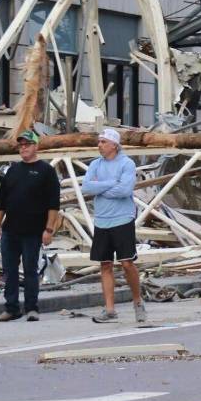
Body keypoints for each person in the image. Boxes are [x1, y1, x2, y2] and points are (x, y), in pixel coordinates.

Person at [0, 130, 60, 322]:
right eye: (21, 145)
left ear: (36, 146)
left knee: (30, 270)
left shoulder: (46, 171)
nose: (24, 148)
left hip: (33, 231)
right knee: (9, 270)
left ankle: (32, 308)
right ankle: (11, 308)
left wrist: (48, 229)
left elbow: (54, 204)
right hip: (10, 230)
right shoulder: (12, 170)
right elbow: (1, 202)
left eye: (27, 144)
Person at [82, 127, 147, 324]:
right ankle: (110, 309)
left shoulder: (127, 164)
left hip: (122, 218)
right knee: (105, 264)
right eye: (99, 141)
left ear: (114, 145)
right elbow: (86, 187)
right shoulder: (95, 164)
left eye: (103, 142)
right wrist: (111, 183)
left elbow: (125, 190)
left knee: (127, 263)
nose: (99, 145)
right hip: (102, 219)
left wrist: (100, 187)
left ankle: (137, 301)